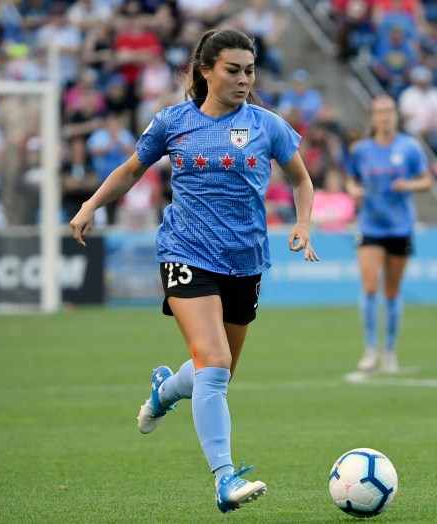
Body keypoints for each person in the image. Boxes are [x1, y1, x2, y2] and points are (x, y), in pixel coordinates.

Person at [69, 28, 319, 513]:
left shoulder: (267, 125)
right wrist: (90, 204)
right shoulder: (172, 121)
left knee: (215, 372)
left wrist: (303, 223)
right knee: (215, 364)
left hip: (245, 262)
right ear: (204, 71)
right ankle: (225, 479)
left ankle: (166, 389)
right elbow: (129, 170)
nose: (244, 79)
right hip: (186, 253)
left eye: (249, 70)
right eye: (233, 70)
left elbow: (301, 180)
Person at [345, 95, 432, 374]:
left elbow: (427, 180)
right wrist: (352, 189)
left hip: (400, 226)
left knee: (392, 292)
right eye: (379, 112)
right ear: (373, 117)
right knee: (370, 287)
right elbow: (351, 178)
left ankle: (390, 351)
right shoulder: (362, 150)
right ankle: (370, 349)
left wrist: (410, 185)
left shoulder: (410, 147)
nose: (384, 117)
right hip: (370, 225)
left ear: (396, 115)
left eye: (389, 111)